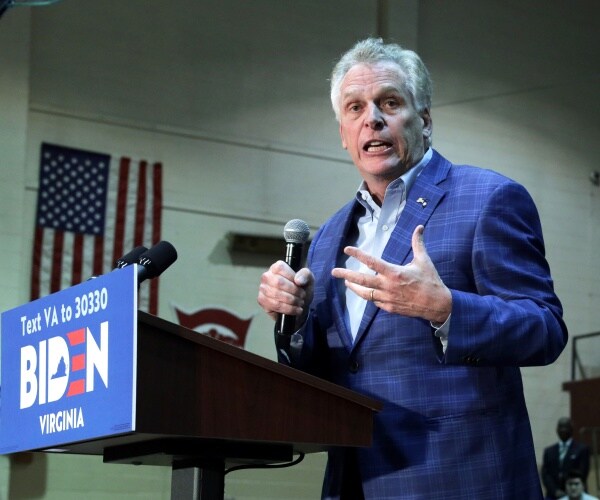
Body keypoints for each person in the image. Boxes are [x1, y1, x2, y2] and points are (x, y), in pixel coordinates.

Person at [257, 37, 568, 499]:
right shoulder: (328, 238)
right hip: (357, 480)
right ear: (343, 133)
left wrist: (446, 309)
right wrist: (296, 323)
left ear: (424, 119)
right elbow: (339, 368)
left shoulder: (487, 198)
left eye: (389, 102)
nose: (372, 119)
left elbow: (545, 329)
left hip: (461, 479)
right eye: (355, 108)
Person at [542, 417, 591, 498]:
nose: (563, 430)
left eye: (565, 427)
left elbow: (582, 472)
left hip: (575, 493)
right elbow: (545, 475)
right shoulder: (549, 451)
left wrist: (568, 491)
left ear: (571, 429)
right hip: (553, 494)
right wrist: (555, 491)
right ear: (557, 430)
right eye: (560, 427)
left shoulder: (582, 449)